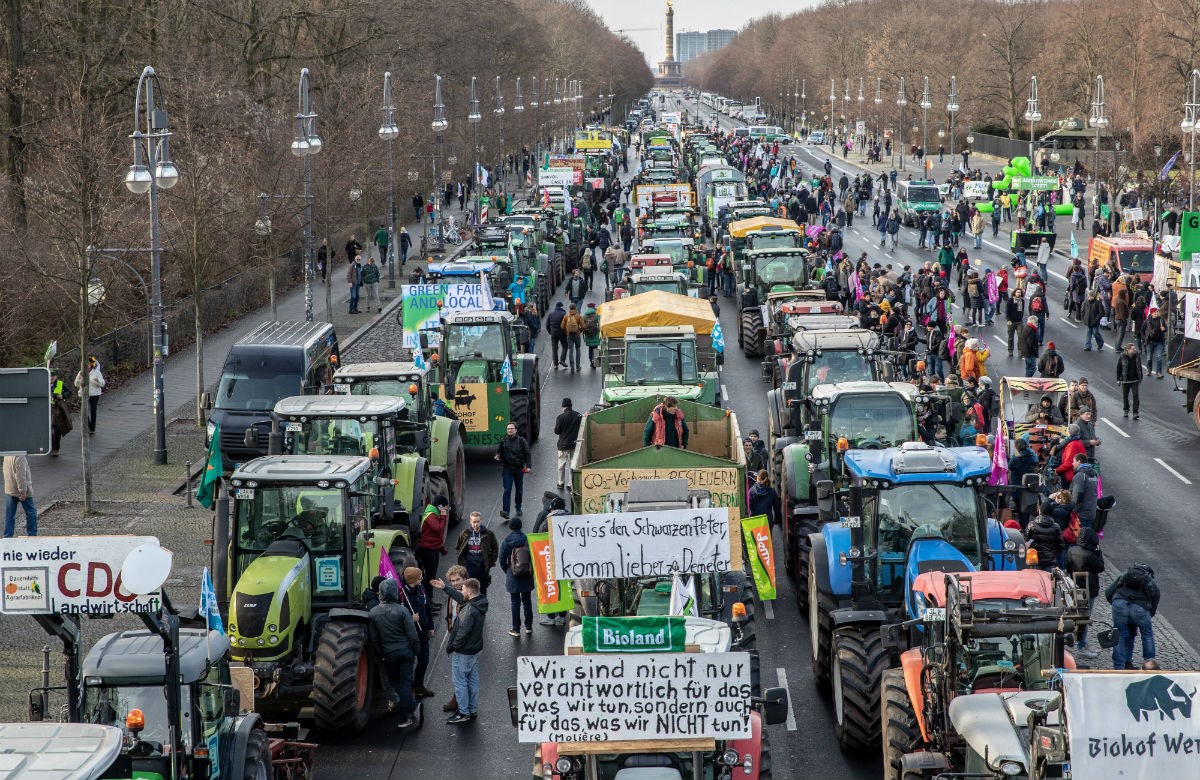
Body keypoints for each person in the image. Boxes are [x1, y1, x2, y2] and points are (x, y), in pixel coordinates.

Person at [431, 575, 487, 724]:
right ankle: (472, 709)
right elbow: (460, 598)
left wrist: (454, 647)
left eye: (462, 589)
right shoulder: (479, 601)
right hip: (475, 649)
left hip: (464, 651)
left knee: (460, 681)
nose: (461, 591)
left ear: (469, 591)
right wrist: (444, 588)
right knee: (472, 679)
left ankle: (463, 712)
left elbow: (462, 632)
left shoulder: (469, 610)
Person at [367, 578, 420, 728]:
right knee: (405, 684)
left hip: (388, 655)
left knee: (395, 684)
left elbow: (374, 638)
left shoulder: (373, 612)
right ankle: (410, 711)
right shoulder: (403, 611)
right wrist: (417, 651)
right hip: (406, 653)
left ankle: (406, 715)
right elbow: (412, 635)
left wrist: (380, 654)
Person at [1106, 564, 1160, 670]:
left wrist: (1116, 604)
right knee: (1147, 634)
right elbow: (1156, 596)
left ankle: (1119, 666)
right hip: (1140, 609)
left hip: (1119, 604)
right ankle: (1150, 665)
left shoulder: (1125, 574)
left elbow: (1108, 592)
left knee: (1120, 635)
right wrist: (1150, 613)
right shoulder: (1149, 579)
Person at [1065, 527, 1104, 659]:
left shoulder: (1071, 550)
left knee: (1076, 616)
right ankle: (1081, 645)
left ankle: (1081, 643)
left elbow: (1067, 566)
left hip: (1074, 588)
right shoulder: (1090, 554)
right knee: (1085, 618)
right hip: (1088, 589)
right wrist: (1098, 552)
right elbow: (1100, 567)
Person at [401, 567, 436, 699]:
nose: (422, 579)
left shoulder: (421, 589)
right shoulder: (402, 594)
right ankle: (410, 689)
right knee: (409, 663)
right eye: (420, 577)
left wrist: (431, 627)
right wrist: (410, 618)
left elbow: (427, 608)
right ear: (413, 579)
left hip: (423, 631)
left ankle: (419, 685)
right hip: (410, 635)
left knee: (424, 659)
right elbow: (398, 616)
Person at [499, 517, 535, 637]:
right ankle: (529, 627)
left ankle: (516, 629)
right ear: (520, 526)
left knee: (515, 602)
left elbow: (502, 559)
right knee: (527, 600)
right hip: (526, 573)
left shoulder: (506, 541)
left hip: (513, 574)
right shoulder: (527, 539)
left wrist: (508, 570)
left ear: (510, 527)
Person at [440, 565, 469, 713]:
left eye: (458, 579)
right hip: (455, 634)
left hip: (463, 639)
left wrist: (446, 588)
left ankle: (460, 703)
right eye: (452, 581)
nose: (455, 583)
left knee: (460, 673)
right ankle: (463, 701)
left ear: (465, 578)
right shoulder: (453, 594)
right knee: (463, 672)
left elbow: (462, 599)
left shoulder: (468, 594)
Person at [416, 496, 450, 602]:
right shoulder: (431, 515)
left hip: (432, 549)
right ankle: (428, 601)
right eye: (445, 507)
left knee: (432, 575)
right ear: (440, 506)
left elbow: (436, 536)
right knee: (430, 577)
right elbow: (438, 528)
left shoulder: (435, 514)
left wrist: (441, 549)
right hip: (427, 550)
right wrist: (444, 516)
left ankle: (430, 600)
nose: (447, 509)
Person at [455, 512, 498, 594]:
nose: (476, 524)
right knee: (469, 590)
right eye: (474, 522)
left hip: (482, 567)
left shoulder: (488, 534)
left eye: (478, 522)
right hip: (469, 566)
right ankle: (471, 606)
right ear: (470, 522)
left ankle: (482, 605)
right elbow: (458, 548)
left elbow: (495, 548)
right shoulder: (465, 533)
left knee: (482, 589)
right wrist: (462, 563)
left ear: (481, 521)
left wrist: (490, 562)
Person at [495, 422, 531, 519]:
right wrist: (497, 456)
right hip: (507, 469)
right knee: (507, 489)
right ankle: (506, 511)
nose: (509, 430)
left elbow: (527, 454)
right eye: (508, 429)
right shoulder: (503, 440)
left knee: (519, 490)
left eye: (511, 428)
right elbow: (499, 451)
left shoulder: (521, 441)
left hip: (519, 469)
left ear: (516, 430)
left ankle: (518, 507)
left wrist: (528, 466)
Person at [3, 455, 36, 538]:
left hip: (10, 489)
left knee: (10, 515)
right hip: (21, 491)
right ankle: (32, 536)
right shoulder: (20, 457)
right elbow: (20, 475)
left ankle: (8, 536)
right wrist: (23, 491)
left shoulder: (7, 455)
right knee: (31, 513)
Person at [1024, 504, 1064, 571]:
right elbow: (1060, 545)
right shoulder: (1056, 526)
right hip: (1050, 559)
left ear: (1040, 511)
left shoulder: (1032, 524)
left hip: (1035, 559)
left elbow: (1026, 541)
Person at [554, 398, 582, 490]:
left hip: (563, 445)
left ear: (563, 407)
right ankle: (570, 484)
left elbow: (557, 431)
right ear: (571, 406)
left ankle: (560, 483)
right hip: (574, 444)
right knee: (572, 464)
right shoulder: (578, 415)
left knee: (561, 465)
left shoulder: (560, 417)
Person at [75, 356, 105, 435]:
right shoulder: (80, 372)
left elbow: (102, 383)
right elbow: (76, 384)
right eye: (84, 364)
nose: (86, 365)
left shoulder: (97, 372)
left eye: (88, 364)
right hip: (83, 394)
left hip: (94, 394)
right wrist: (79, 378)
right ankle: (87, 426)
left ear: (91, 364)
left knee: (93, 411)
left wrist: (97, 381)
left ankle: (92, 428)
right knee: (84, 411)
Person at [1116, 343, 1143, 419]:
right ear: (1128, 350)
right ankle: (1126, 409)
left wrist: (1141, 377)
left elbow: (1139, 366)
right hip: (1125, 380)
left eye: (1135, 349)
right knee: (1125, 396)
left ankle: (1135, 412)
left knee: (1136, 396)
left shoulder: (1136, 355)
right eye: (1133, 349)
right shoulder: (1122, 356)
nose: (1134, 350)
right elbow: (1119, 368)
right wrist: (1118, 379)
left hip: (1135, 380)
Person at [49, 370, 72, 456]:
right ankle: (50, 446)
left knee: (57, 429)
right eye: (50, 375)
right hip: (46, 410)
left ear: (56, 376)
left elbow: (69, 392)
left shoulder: (59, 384)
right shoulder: (42, 383)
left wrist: (62, 396)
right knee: (47, 429)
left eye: (53, 376)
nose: (51, 378)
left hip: (57, 410)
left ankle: (55, 448)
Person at [1143, 307, 1167, 377]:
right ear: (1151, 313)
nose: (1156, 313)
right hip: (1150, 342)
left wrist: (1164, 329)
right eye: (1155, 312)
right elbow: (1142, 329)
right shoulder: (1147, 321)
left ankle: (1159, 373)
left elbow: (1166, 329)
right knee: (1149, 358)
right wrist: (1144, 338)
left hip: (1159, 342)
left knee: (1159, 357)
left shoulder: (1161, 320)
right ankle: (1149, 370)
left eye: (1157, 312)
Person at [562, 303, 584, 372]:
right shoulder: (578, 316)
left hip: (569, 336)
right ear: (575, 308)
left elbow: (562, 326)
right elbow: (583, 326)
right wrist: (579, 331)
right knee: (578, 350)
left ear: (569, 308)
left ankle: (572, 367)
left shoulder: (566, 316)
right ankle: (578, 366)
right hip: (577, 335)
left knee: (570, 350)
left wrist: (567, 332)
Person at [546, 302, 568, 369]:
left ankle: (555, 364)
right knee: (565, 346)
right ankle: (562, 360)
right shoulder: (564, 314)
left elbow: (547, 325)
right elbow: (566, 325)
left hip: (554, 334)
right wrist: (566, 332)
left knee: (554, 349)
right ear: (561, 306)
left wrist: (550, 332)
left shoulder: (551, 314)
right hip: (562, 334)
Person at [582, 302, 601, 368]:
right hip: (595, 334)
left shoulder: (584, 315)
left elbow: (582, 325)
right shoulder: (596, 314)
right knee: (595, 348)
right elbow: (600, 323)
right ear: (594, 307)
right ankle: (595, 362)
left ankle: (591, 361)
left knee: (590, 349)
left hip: (588, 334)